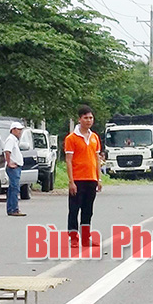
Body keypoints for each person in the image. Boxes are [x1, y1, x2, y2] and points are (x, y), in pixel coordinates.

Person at [65, 105, 103, 248]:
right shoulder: (71, 138)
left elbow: (97, 159)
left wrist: (98, 178)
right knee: (74, 209)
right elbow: (69, 160)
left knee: (88, 210)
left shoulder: (94, 137)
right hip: (77, 179)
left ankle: (86, 237)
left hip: (91, 179)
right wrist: (71, 181)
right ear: (79, 119)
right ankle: (73, 237)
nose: (88, 120)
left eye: (91, 118)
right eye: (86, 118)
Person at [3, 122, 26, 217]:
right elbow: (7, 151)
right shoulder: (10, 139)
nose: (20, 132)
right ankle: (14, 209)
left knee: (12, 188)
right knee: (15, 188)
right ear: (13, 130)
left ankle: (11, 208)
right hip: (13, 168)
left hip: (16, 167)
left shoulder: (14, 140)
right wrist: (9, 163)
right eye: (18, 129)